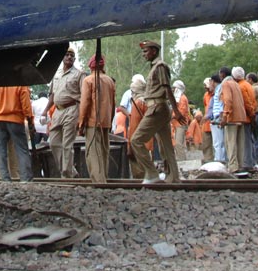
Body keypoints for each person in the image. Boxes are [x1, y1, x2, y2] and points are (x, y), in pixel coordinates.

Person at [129, 40, 187, 184]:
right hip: (158, 108)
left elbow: (167, 89)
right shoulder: (155, 67)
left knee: (136, 140)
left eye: (145, 51)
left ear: (154, 51)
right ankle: (173, 178)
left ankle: (151, 173)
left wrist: (176, 111)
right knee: (166, 146)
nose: (143, 54)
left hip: (157, 108)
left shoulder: (160, 66)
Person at [78, 54, 116, 183]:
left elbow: (85, 104)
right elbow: (113, 104)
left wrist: (81, 123)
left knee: (93, 152)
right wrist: (110, 121)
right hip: (106, 122)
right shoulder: (110, 81)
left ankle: (99, 182)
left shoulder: (88, 80)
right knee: (104, 152)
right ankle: (103, 178)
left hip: (92, 122)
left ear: (90, 66)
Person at [0, 84, 34, 182]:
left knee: (1, 152)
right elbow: (26, 104)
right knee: (22, 150)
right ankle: (26, 179)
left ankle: (5, 180)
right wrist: (30, 121)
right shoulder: (20, 83)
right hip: (16, 121)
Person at [47, 48, 84, 178]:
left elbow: (84, 96)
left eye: (71, 55)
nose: (69, 57)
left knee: (67, 144)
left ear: (74, 59)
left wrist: (81, 117)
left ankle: (67, 175)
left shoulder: (79, 74)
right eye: (67, 55)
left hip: (72, 109)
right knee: (53, 142)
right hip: (57, 110)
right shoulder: (56, 74)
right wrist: (45, 111)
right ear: (62, 57)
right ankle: (71, 171)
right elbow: (52, 95)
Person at [218, 66, 248, 172]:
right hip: (241, 117)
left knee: (231, 143)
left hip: (232, 118)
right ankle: (240, 165)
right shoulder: (236, 84)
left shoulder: (226, 84)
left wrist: (224, 116)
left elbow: (228, 100)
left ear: (222, 74)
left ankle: (233, 166)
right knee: (240, 143)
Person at [171, 80, 190, 160]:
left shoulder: (182, 98)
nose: (172, 90)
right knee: (179, 144)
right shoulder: (178, 98)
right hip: (177, 124)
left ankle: (182, 161)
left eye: (174, 88)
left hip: (181, 124)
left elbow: (181, 112)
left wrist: (171, 116)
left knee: (178, 144)